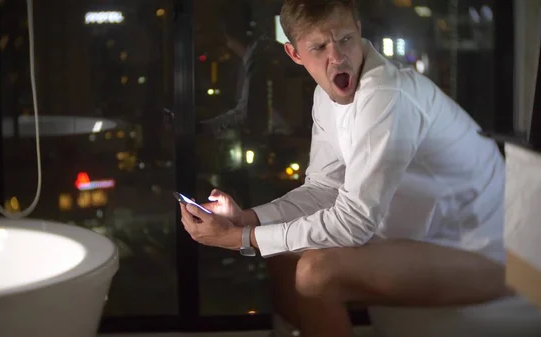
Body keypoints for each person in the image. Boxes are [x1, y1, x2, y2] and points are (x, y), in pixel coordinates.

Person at [179, 0, 516, 336]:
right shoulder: (327, 96)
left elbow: (354, 223)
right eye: (319, 47)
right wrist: (247, 219)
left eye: (344, 40)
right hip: (426, 237)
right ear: (295, 54)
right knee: (280, 252)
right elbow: (323, 188)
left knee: (315, 271)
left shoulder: (385, 96)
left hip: (484, 251)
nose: (337, 57)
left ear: (359, 31)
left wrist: (242, 238)